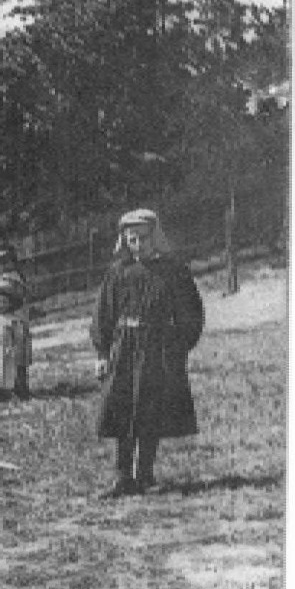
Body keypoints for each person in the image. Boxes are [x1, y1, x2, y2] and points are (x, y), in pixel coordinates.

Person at [91, 209, 204, 499]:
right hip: (124, 348)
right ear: (124, 241)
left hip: (157, 350)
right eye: (131, 240)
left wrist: (178, 347)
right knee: (123, 408)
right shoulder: (118, 273)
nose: (138, 245)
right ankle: (122, 477)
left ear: (155, 237)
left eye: (143, 238)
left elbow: (191, 314)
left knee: (150, 410)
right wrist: (103, 353)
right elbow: (103, 314)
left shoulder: (173, 272)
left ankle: (145, 475)